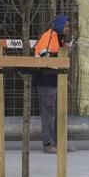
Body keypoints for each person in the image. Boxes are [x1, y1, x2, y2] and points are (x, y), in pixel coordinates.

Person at [33, 13, 70, 151]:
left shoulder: (56, 38)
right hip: (46, 80)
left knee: (56, 112)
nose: (67, 29)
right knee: (49, 113)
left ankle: (57, 143)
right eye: (66, 26)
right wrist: (62, 52)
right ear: (60, 25)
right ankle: (49, 144)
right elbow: (46, 59)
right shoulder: (48, 38)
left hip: (53, 80)